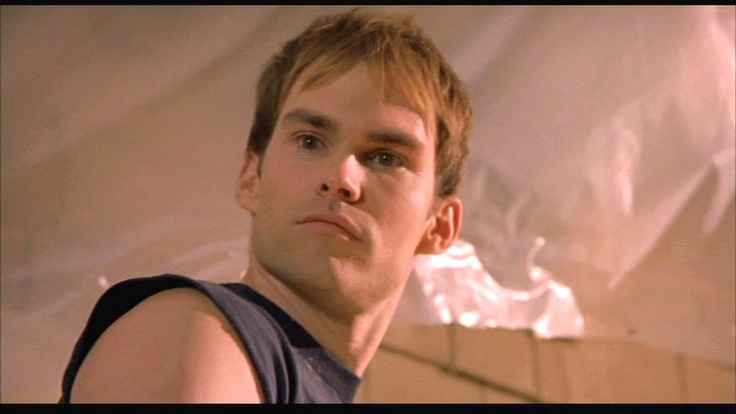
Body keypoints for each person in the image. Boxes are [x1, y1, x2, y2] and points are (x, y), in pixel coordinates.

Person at [60, 7, 473, 403]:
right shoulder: (194, 332)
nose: (341, 178)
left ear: (439, 226)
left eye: (385, 158)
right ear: (250, 179)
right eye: (309, 141)